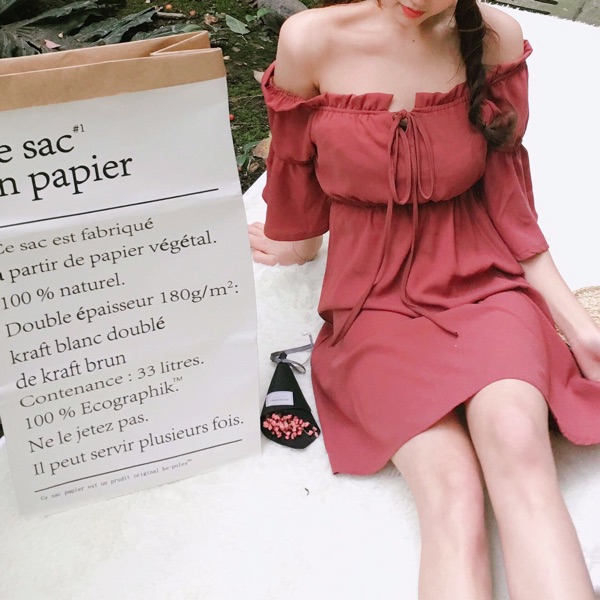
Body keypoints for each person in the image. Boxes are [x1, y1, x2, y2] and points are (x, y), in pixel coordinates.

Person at [248, 0, 600, 597]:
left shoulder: (494, 37)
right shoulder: (309, 41)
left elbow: (510, 204)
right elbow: (296, 169)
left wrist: (579, 327)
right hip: (372, 296)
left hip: (483, 281)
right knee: (450, 489)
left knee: (519, 449)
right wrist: (298, 246)